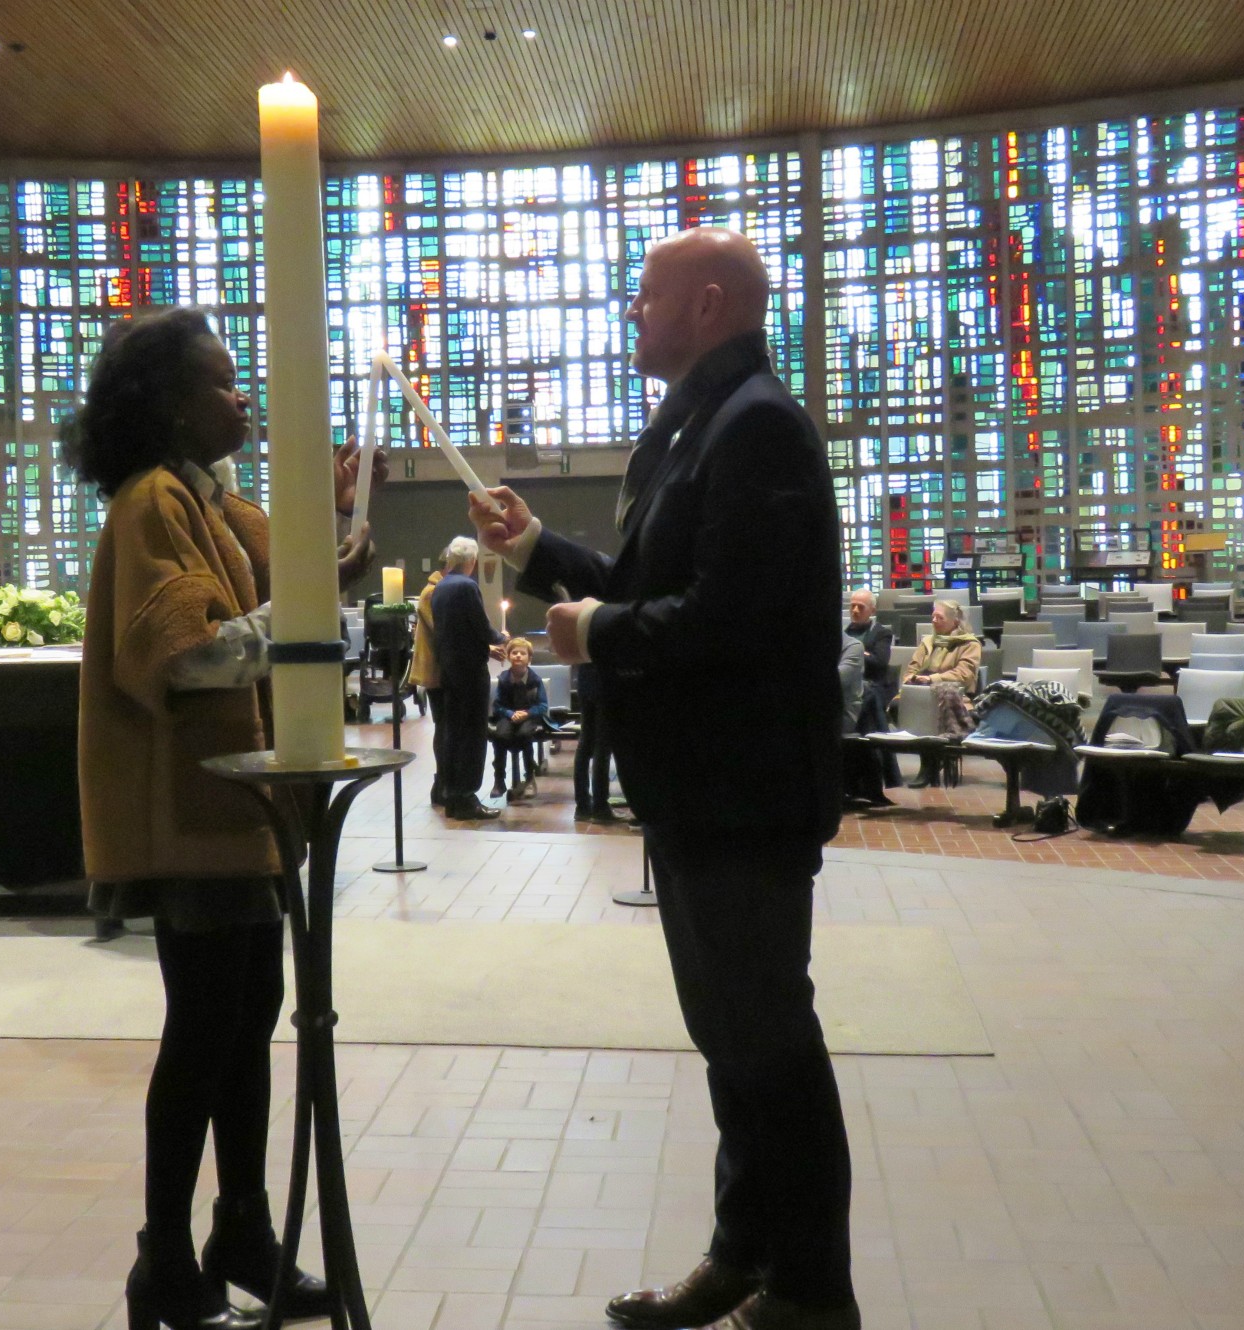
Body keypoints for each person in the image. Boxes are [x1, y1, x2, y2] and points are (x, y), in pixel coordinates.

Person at [469, 227, 858, 1330]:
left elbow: (736, 619)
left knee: (768, 1042)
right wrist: (540, 547)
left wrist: (596, 631)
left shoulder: (760, 427)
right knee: (730, 1041)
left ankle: (812, 1294)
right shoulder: (704, 422)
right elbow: (651, 585)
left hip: (743, 790)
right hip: (699, 788)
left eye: (645, 296)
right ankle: (743, 1253)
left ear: (706, 300)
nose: (630, 314)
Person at [65, 306, 374, 1330]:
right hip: (189, 807)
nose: (242, 396)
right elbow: (181, 654)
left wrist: (329, 540)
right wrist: (293, 621)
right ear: (167, 405)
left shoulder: (212, 500)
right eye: (223, 382)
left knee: (245, 1022)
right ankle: (161, 1260)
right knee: (201, 1031)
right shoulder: (151, 502)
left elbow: (292, 584)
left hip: (243, 808)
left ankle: (239, 1226)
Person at [428, 536, 506, 820]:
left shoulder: (440, 588)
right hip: (471, 673)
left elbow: (455, 632)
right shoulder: (466, 586)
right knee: (473, 734)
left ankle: (452, 796)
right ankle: (467, 797)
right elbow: (480, 627)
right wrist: (500, 638)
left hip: (449, 669)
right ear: (471, 562)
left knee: (453, 733)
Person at [898, 599, 982, 788]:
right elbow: (912, 668)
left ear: (955, 622)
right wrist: (912, 678)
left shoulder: (970, 644)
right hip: (921, 694)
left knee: (934, 709)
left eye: (940, 617)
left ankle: (930, 763)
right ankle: (931, 761)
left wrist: (932, 679)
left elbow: (964, 674)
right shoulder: (928, 642)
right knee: (897, 705)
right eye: (933, 616)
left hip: (954, 695)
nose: (934, 620)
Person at [406, 548, 449, 804]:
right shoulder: (432, 592)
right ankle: (441, 784)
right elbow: (442, 628)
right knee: (443, 728)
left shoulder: (439, 589)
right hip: (436, 670)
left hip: (440, 668)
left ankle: (444, 782)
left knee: (444, 728)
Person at [488, 636, 549, 800]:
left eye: (522, 653)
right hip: (508, 716)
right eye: (514, 653)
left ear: (529, 659)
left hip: (529, 717)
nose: (518, 656)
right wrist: (510, 714)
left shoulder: (535, 680)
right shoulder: (503, 679)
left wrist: (527, 713)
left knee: (524, 735)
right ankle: (499, 780)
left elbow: (543, 706)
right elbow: (497, 705)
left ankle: (530, 777)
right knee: (500, 736)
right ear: (508, 657)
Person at [572, 659, 622, 822]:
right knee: (603, 746)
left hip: (584, 675)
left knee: (585, 743)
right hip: (606, 676)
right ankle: (600, 807)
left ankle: (582, 806)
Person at [844, 590, 896, 711]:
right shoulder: (843, 632)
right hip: (846, 683)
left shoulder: (881, 633)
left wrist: (853, 652)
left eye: (861, 607)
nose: (855, 610)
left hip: (870, 684)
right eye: (852, 606)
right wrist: (865, 653)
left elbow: (879, 662)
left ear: (872, 610)